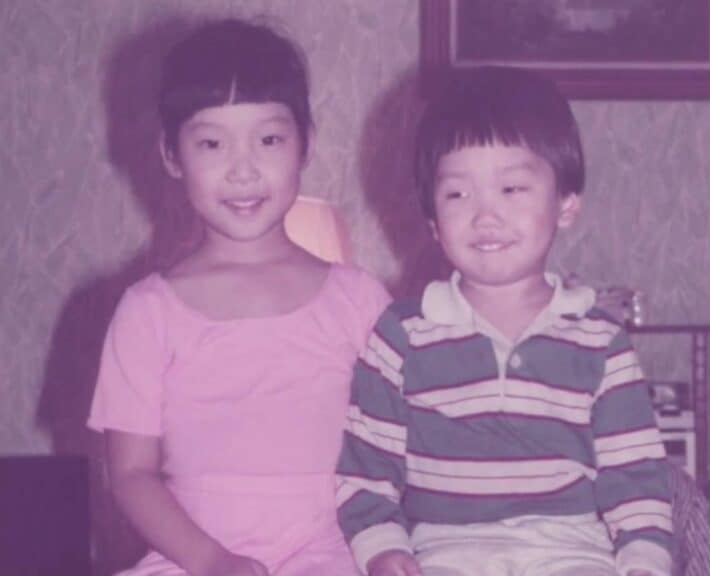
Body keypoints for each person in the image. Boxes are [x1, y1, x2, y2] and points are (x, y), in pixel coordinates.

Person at [336, 67, 672, 576]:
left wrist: (644, 563)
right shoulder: (400, 337)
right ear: (432, 221)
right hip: (445, 555)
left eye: (512, 188)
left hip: (572, 554)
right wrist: (383, 550)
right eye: (458, 194)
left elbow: (638, 480)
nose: (485, 215)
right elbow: (366, 472)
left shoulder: (601, 342)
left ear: (566, 205)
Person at [88, 19, 389, 576]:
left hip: (335, 552)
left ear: (305, 144)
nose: (243, 169)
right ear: (171, 155)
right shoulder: (148, 312)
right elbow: (130, 474)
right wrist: (211, 560)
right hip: (194, 557)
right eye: (212, 143)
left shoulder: (358, 300)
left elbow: (401, 449)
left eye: (269, 140)